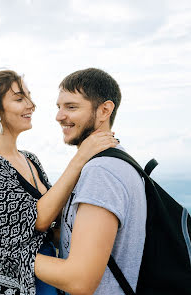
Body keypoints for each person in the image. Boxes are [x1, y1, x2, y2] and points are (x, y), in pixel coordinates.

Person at [0, 70, 118, 295]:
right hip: (12, 287)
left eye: (29, 96)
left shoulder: (30, 159)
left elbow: (55, 212)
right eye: (20, 99)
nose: (31, 105)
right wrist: (81, 157)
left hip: (48, 276)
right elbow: (38, 220)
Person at [34, 68, 147, 295]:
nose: (59, 116)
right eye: (59, 107)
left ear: (105, 110)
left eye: (71, 107)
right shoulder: (108, 162)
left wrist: (9, 254)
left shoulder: (102, 172)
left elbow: (79, 281)